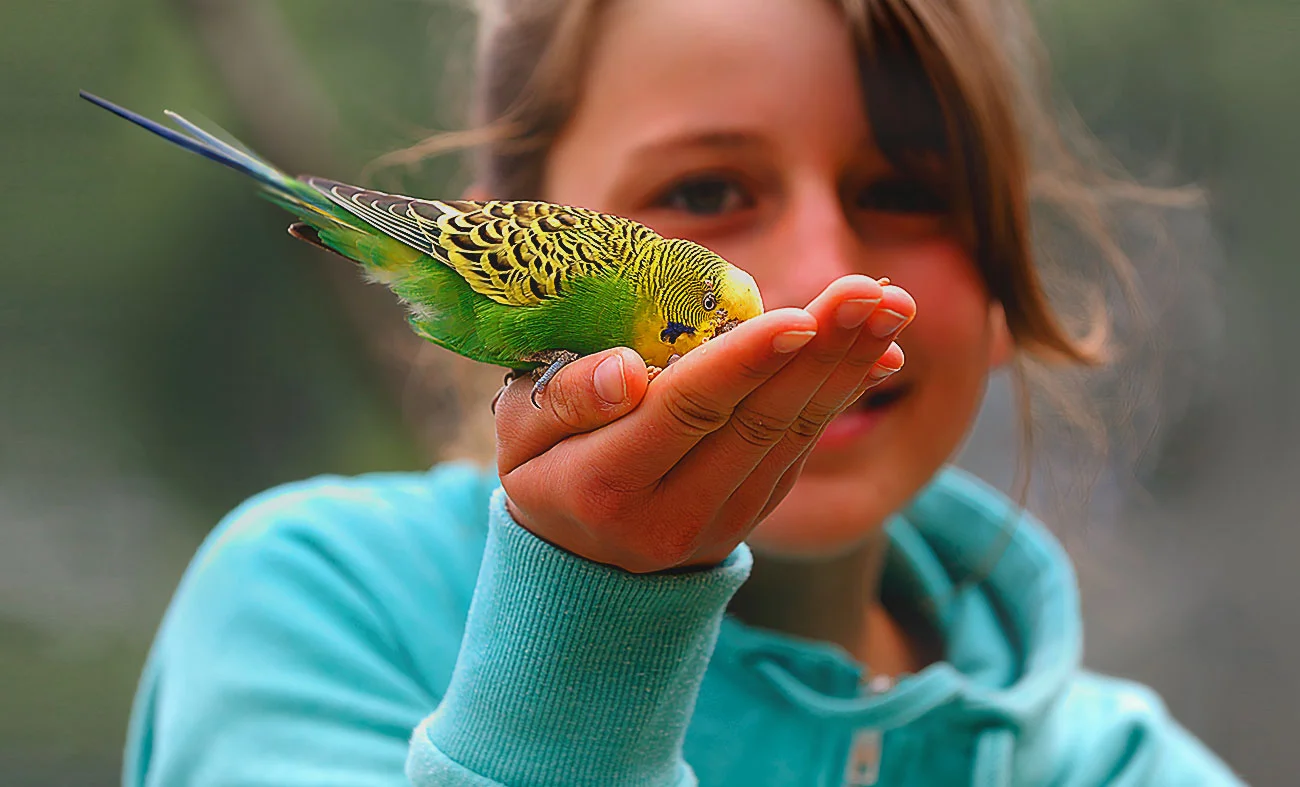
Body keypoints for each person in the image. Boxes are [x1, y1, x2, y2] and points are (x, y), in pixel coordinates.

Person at [122, 0, 1245, 784]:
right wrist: (591, 612)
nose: (817, 279)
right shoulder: (314, 607)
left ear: (1011, 282)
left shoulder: (1125, 768)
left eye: (903, 191)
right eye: (705, 188)